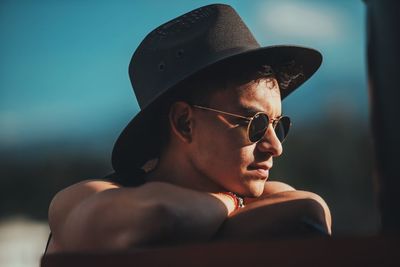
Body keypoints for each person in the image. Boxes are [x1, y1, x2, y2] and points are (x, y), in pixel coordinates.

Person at [45, 4, 331, 253]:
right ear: (184, 122)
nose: (275, 146)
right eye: (255, 123)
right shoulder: (85, 199)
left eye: (278, 125)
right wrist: (233, 206)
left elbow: (310, 210)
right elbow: (158, 217)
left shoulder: (268, 195)